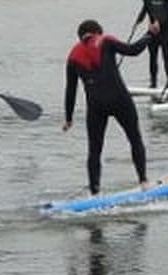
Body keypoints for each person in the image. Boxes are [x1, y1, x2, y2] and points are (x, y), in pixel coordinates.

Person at [63, 18, 159, 195]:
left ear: (81, 36)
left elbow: (71, 90)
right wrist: (150, 34)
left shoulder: (73, 56)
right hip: (119, 99)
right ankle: (144, 181)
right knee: (134, 138)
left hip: (96, 106)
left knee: (94, 149)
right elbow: (133, 50)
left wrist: (68, 118)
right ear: (98, 32)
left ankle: (95, 192)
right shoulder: (106, 40)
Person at [135, 0, 168, 89]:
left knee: (166, 57)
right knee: (153, 58)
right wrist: (138, 21)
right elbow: (144, 11)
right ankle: (153, 82)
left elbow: (165, 13)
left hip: (165, 33)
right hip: (152, 33)